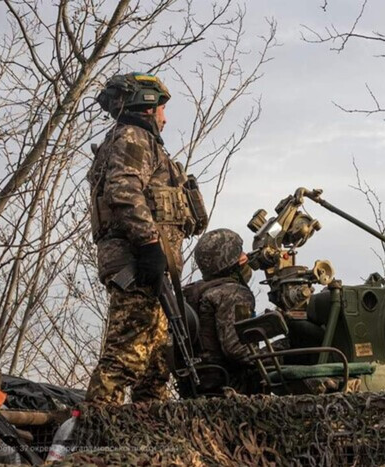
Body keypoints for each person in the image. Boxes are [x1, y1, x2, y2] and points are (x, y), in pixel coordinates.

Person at [85, 72, 205, 404]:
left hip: (152, 269)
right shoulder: (132, 138)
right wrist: (150, 245)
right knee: (123, 359)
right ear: (147, 107)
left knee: (156, 368)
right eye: (163, 109)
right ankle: (91, 439)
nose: (165, 119)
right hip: (137, 267)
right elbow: (123, 190)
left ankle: (149, 443)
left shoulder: (135, 141)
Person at [182, 228, 259, 396]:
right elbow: (236, 349)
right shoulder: (232, 293)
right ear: (230, 260)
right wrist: (272, 353)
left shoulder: (192, 292)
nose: (245, 256)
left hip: (198, 384)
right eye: (239, 252)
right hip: (230, 385)